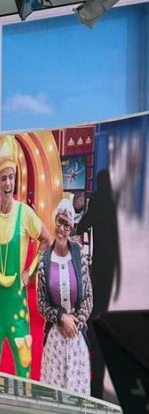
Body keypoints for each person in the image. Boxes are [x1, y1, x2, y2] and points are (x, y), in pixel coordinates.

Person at [0, 136, 50, 378]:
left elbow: (46, 239)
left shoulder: (25, 213)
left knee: (23, 367)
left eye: (11, 177)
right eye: (3, 178)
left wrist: (31, 270)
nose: (8, 183)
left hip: (18, 307)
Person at [36, 199, 93, 395]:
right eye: (60, 221)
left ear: (72, 227)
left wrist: (75, 324)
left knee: (77, 395)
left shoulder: (79, 256)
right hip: (54, 339)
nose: (62, 229)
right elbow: (41, 303)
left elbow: (88, 298)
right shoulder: (44, 260)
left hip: (76, 338)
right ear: (54, 220)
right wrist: (61, 317)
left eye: (67, 224)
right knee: (54, 395)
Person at [75, 169, 121, 399]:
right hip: (111, 267)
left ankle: (94, 386)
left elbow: (85, 224)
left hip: (99, 267)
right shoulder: (114, 203)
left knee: (96, 317)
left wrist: (76, 229)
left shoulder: (98, 200)